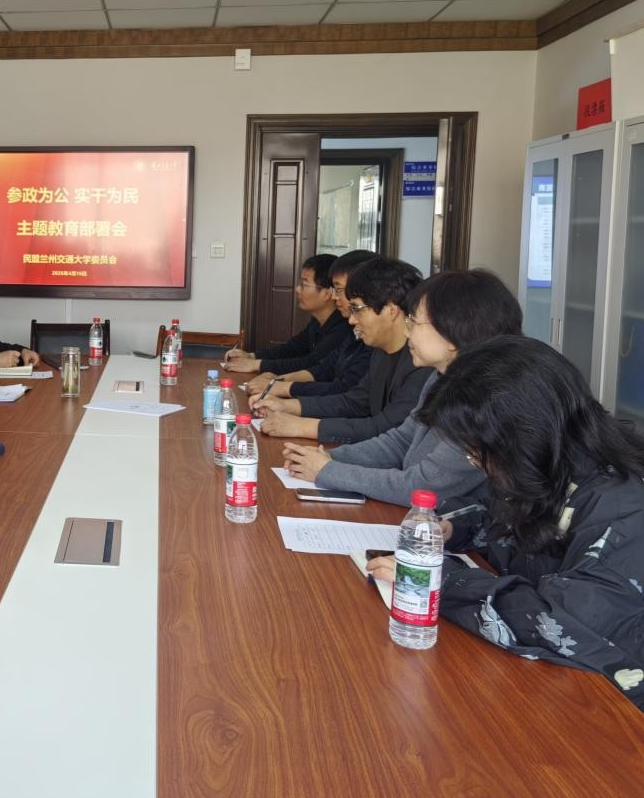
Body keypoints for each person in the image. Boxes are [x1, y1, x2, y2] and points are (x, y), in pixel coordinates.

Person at [366, 336, 644, 712]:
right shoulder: (554, 465)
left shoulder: (625, 507)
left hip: (612, 714)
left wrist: (442, 581)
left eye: (477, 450)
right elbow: (510, 526)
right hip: (547, 687)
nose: (476, 462)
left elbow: (561, 623)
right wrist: (455, 528)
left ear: (523, 434)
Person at [281, 268, 523, 505]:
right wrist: (327, 457)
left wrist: (329, 470)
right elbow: (400, 442)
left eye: (414, 322)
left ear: (452, 332)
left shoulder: (489, 400)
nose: (407, 333)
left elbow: (423, 486)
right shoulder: (442, 377)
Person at [253, 257, 429, 443]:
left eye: (358, 309)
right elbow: (354, 401)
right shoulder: (381, 351)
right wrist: (286, 406)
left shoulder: (421, 363)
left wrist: (301, 426)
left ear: (391, 311)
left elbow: (385, 428)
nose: (352, 320)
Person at [244, 249, 375, 399]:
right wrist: (276, 380)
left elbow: (344, 390)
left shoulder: (348, 330)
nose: (334, 296)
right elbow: (322, 368)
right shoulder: (347, 330)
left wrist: (281, 386)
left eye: (338, 289)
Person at [222, 253, 353, 377]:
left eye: (304, 284)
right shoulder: (317, 321)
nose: (297, 289)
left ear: (327, 294)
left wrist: (256, 365)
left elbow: (311, 364)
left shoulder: (343, 328)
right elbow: (292, 348)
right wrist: (252, 356)